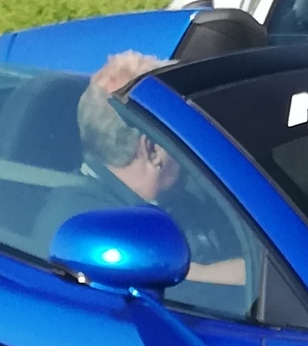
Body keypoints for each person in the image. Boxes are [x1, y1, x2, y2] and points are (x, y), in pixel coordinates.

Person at [74, 51, 250, 300]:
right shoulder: (93, 221)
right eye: (178, 138)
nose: (188, 150)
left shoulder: (183, 196)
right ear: (153, 150)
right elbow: (190, 283)